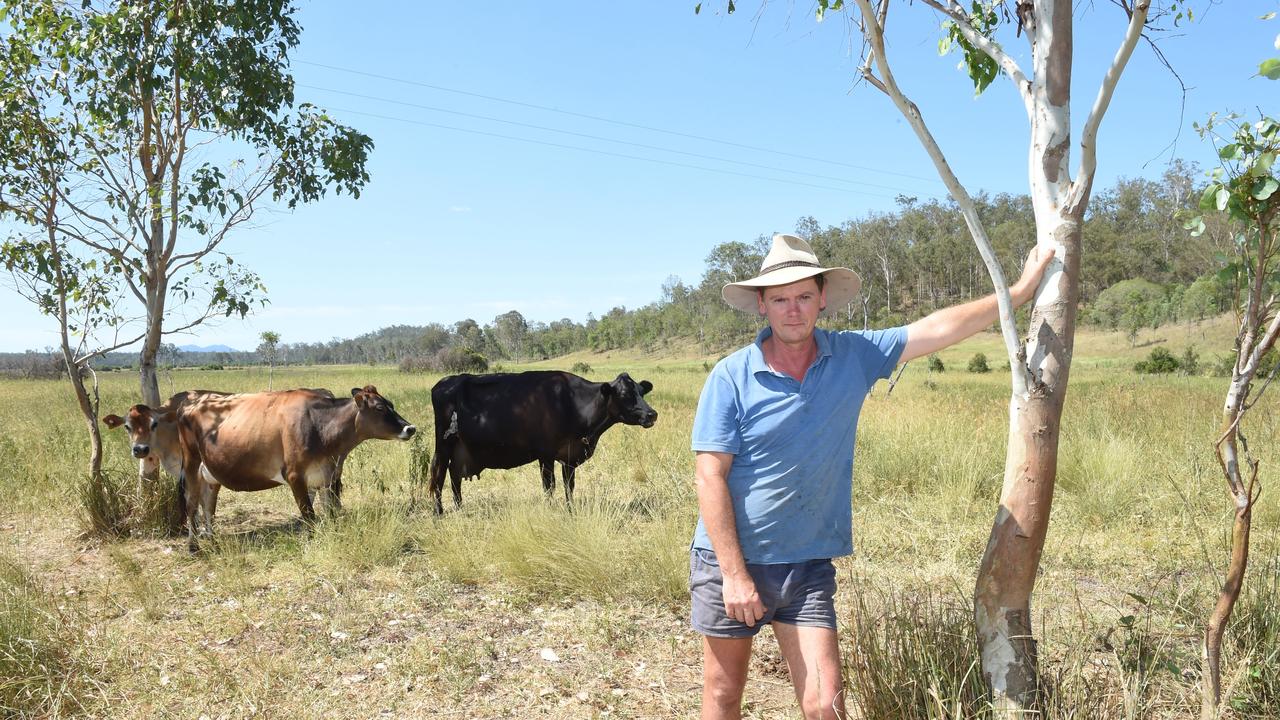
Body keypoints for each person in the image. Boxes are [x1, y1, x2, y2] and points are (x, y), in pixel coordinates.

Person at [689, 233, 1054, 720]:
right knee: (722, 693)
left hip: (807, 564)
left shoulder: (853, 355)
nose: (792, 310)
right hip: (729, 562)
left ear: (822, 300)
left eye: (803, 297)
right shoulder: (732, 376)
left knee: (825, 704)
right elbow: (710, 475)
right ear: (761, 305)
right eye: (779, 299)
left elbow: (937, 328)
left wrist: (1021, 291)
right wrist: (735, 576)